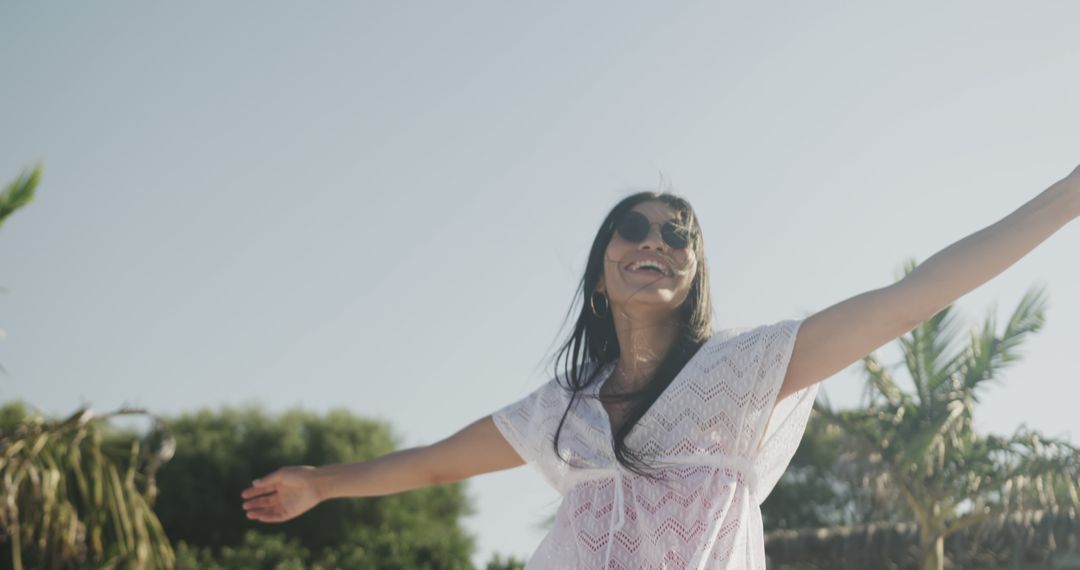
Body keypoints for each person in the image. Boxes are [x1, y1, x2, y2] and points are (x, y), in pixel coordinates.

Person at [241, 166, 1080, 568]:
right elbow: (427, 464)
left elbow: (917, 294)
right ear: (602, 266)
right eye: (634, 228)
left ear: (694, 270)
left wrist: (1067, 195)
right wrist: (321, 480)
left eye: (678, 233)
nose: (656, 240)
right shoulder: (562, 412)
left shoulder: (746, 371)